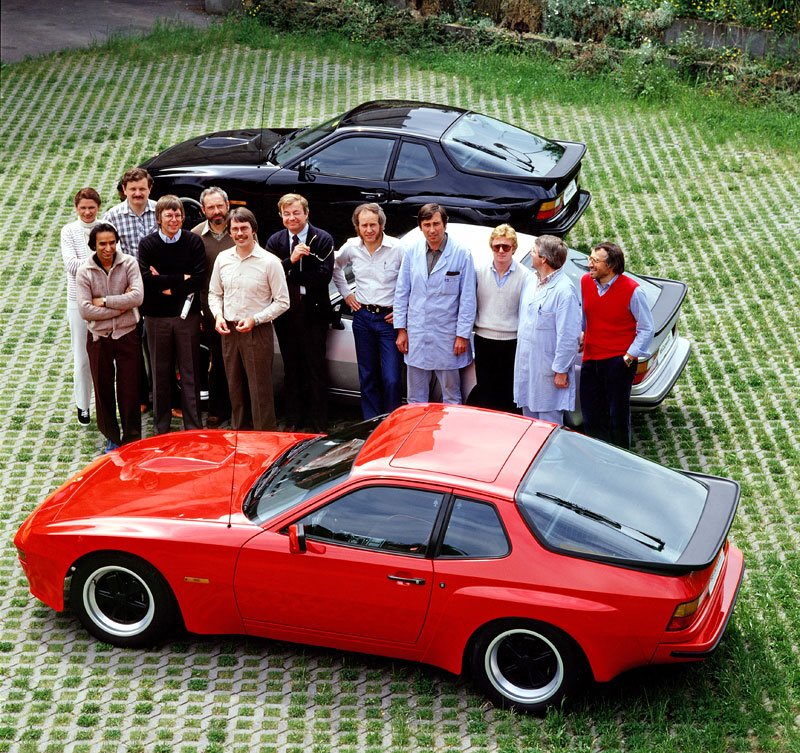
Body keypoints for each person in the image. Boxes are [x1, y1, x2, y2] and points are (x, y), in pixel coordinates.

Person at [208, 208, 289, 430]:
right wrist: (218, 316)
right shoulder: (223, 259)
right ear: (230, 232)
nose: (239, 233)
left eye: (244, 228)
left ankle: (265, 435)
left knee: (259, 389)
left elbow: (283, 301)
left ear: (253, 230)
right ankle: (240, 434)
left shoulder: (270, 262)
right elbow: (215, 293)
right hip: (230, 331)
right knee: (235, 387)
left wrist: (257, 319)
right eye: (235, 229)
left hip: (257, 330)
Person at [394, 203, 476, 404]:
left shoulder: (461, 254)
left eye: (436, 224)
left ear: (445, 224)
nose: (432, 230)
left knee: (451, 394)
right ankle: (418, 434)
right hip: (417, 334)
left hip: (446, 336)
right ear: (420, 227)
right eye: (427, 224)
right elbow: (402, 292)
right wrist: (401, 329)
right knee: (415, 396)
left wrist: (462, 335)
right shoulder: (412, 253)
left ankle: (451, 432)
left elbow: (468, 298)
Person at [266, 193, 335, 432]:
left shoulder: (322, 238)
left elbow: (323, 276)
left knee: (315, 366)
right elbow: (270, 276)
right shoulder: (275, 241)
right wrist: (291, 261)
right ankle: (294, 418)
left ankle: (319, 421)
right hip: (287, 313)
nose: (292, 217)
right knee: (291, 367)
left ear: (306, 213)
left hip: (314, 312)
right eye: (287, 213)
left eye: (296, 212)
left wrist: (289, 275)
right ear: (281, 216)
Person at [138, 195, 206, 434]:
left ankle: (193, 425)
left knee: (190, 372)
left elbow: (198, 278)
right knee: (160, 371)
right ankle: (162, 427)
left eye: (178, 215)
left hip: (186, 316)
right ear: (159, 219)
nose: (174, 219)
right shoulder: (147, 245)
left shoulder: (193, 242)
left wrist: (166, 284)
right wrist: (181, 279)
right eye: (169, 215)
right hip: (156, 317)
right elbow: (147, 280)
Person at [76, 223, 144, 453]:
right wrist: (121, 306)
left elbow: (137, 296)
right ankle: (111, 437)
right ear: (94, 246)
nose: (108, 248)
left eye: (112, 242)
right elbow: (85, 310)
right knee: (102, 387)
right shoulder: (84, 271)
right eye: (102, 244)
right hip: (98, 337)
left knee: (130, 387)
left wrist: (105, 301)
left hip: (127, 334)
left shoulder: (129, 263)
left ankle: (132, 436)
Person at [332, 203, 404, 419]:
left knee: (391, 377)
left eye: (373, 224)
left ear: (381, 224)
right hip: (362, 318)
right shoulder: (351, 247)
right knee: (368, 374)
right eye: (364, 225)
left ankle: (391, 422)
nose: (369, 230)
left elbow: (410, 282)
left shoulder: (398, 248)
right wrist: (346, 293)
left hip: (388, 320)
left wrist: (402, 311)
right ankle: (371, 421)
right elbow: (334, 266)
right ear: (357, 227)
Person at [580, 241, 654, 448]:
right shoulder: (585, 282)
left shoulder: (633, 291)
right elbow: (587, 316)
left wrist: (629, 356)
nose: (590, 264)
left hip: (618, 362)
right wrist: (583, 335)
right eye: (590, 258)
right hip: (591, 358)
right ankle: (599, 458)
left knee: (617, 417)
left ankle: (622, 459)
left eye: (595, 260)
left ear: (610, 266)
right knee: (591, 415)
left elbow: (646, 328)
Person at [514, 235, 581, 425]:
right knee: (529, 422)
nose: (530, 254)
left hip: (549, 371)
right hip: (528, 365)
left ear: (543, 258)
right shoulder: (530, 281)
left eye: (534, 251)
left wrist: (560, 370)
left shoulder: (564, 291)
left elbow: (569, 336)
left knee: (548, 425)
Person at [473, 224, 528, 413]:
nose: (501, 251)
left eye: (506, 246)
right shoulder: (479, 272)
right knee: (486, 392)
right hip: (483, 340)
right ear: (491, 247)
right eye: (497, 246)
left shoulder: (525, 276)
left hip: (511, 342)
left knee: (508, 394)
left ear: (514, 248)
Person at [191, 187, 234, 427]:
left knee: (238, 361)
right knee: (217, 360)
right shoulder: (197, 235)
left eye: (220, 206)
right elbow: (196, 279)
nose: (217, 211)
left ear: (227, 205)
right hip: (211, 310)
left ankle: (241, 407)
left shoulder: (240, 229)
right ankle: (218, 409)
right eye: (211, 207)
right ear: (203, 210)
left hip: (240, 307)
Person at [61, 187, 102, 425]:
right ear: (77, 208)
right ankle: (83, 405)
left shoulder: (105, 226)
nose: (87, 212)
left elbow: (115, 258)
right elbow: (71, 265)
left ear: (98, 208)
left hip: (103, 299)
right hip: (78, 300)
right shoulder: (69, 231)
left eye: (91, 208)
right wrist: (99, 262)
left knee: (107, 356)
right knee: (82, 356)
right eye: (83, 208)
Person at [101, 167, 157, 258]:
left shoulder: (160, 211)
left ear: (149, 188)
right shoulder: (112, 216)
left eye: (142, 189)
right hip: (125, 270)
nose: (138, 194)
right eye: (133, 189)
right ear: (124, 189)